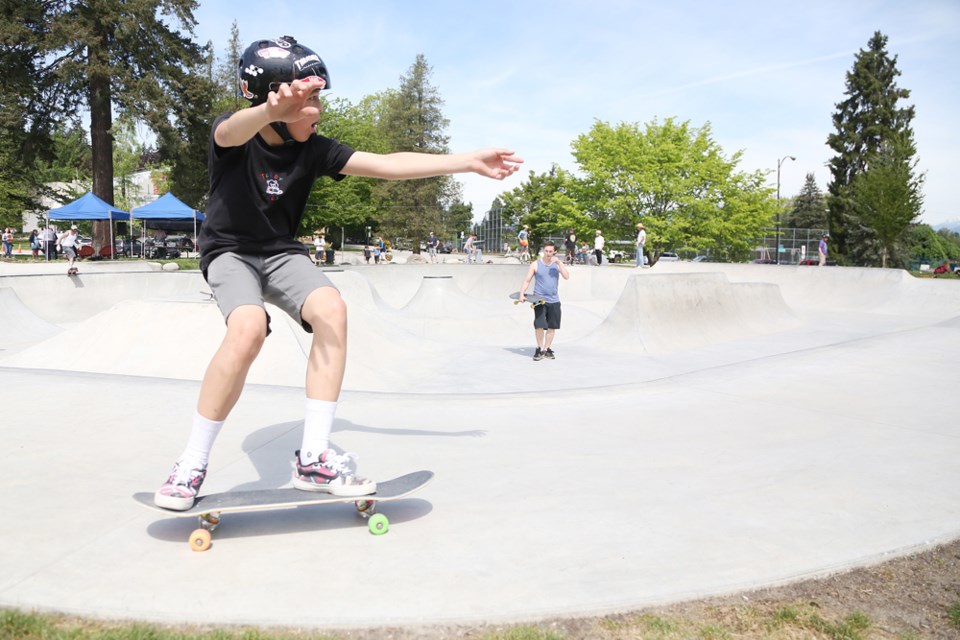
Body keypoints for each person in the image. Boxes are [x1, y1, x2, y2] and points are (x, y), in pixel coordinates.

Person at [153, 35, 522, 511]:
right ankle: (190, 463)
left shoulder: (314, 150)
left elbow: (388, 165)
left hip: (281, 252)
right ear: (274, 99)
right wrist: (268, 112)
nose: (318, 112)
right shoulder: (234, 135)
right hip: (230, 251)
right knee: (246, 330)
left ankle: (313, 459)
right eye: (310, 102)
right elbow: (229, 133)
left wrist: (468, 162)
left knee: (332, 308)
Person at [518, 240, 569, 361]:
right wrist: (521, 294)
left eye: (551, 251)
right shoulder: (535, 264)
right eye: (546, 251)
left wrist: (560, 263)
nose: (548, 253)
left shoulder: (556, 265)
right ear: (543, 251)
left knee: (552, 327)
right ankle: (540, 348)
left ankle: (547, 349)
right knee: (539, 325)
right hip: (539, 300)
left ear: (554, 252)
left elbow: (567, 276)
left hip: (554, 300)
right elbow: (527, 280)